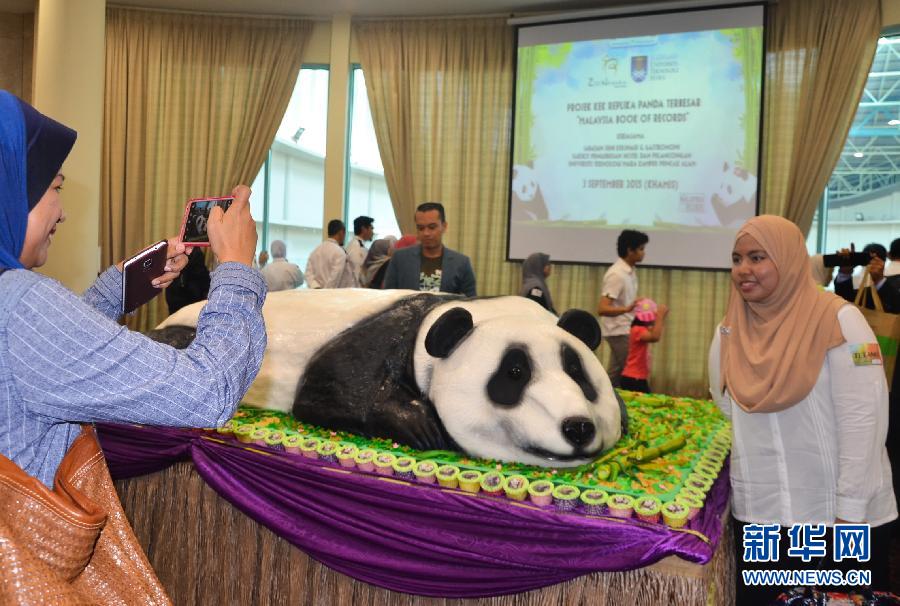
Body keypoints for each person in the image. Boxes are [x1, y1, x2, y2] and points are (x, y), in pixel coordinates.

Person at [0, 90, 267, 490]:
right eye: (55, 187)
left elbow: (43, 355)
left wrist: (127, 284)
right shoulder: (19, 303)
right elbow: (209, 390)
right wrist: (236, 266)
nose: (62, 211)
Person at [708, 215, 896, 604]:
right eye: (737, 258)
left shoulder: (842, 319)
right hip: (763, 515)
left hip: (837, 518)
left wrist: (848, 516)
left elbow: (866, 420)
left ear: (790, 259)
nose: (744, 270)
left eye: (758, 257)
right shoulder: (729, 329)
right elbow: (726, 405)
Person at [383, 202, 476, 296]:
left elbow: (470, 301)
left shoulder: (461, 263)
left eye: (432, 227)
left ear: (444, 226)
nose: (426, 233)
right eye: (421, 228)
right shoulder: (400, 258)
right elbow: (389, 297)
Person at [597, 229, 648, 386]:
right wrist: (626, 309)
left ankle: (603, 400)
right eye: (640, 249)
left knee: (615, 373)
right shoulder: (617, 275)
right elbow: (602, 308)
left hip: (625, 329)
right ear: (629, 250)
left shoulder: (630, 272)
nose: (643, 253)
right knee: (632, 371)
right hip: (618, 330)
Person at [833, 242, 900, 313]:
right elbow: (844, 302)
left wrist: (879, 281)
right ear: (887, 257)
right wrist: (845, 272)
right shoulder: (858, 280)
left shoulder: (888, 283)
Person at [619, 299, 667, 393]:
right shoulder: (637, 330)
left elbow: (655, 330)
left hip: (636, 378)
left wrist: (660, 317)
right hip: (633, 378)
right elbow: (655, 337)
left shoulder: (641, 329)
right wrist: (660, 316)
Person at [305, 219, 357, 288]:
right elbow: (334, 278)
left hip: (318, 295)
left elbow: (308, 274)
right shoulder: (339, 252)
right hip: (335, 295)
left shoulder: (315, 251)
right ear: (341, 233)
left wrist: (316, 288)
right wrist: (326, 292)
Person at [165, 247, 211, 314]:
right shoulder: (178, 249)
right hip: (182, 295)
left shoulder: (193, 251)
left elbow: (201, 273)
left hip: (187, 295)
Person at [346, 215, 374, 282]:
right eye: (371, 228)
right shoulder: (356, 247)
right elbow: (357, 272)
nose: (373, 232)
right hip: (356, 289)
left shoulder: (357, 245)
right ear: (364, 229)